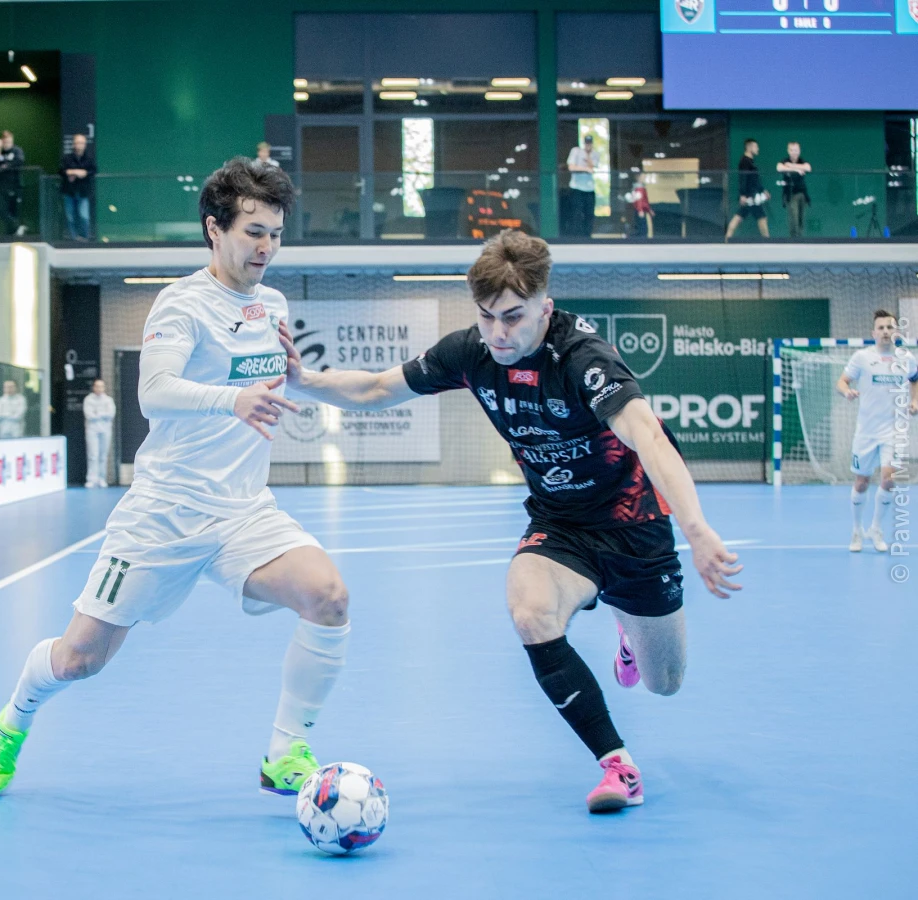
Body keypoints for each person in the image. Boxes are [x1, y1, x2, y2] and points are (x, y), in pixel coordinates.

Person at [282, 229, 744, 813]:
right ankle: (617, 766)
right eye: (486, 317)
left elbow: (648, 437)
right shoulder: (471, 354)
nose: (498, 332)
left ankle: (628, 630)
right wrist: (304, 381)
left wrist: (697, 530)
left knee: (665, 683)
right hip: (561, 523)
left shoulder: (582, 359)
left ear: (545, 308)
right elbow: (377, 388)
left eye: (513, 317)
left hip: (634, 525)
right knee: (530, 611)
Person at [0, 157, 351, 802]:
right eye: (253, 232)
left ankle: (285, 753)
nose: (266, 247)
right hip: (164, 513)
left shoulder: (273, 304)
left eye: (275, 234)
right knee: (79, 660)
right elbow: (154, 391)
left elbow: (263, 374)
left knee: (329, 596)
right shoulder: (182, 303)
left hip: (243, 510)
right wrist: (231, 399)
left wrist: (290, 377)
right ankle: (14, 719)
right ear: (215, 229)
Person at [836, 310, 918, 552]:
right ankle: (856, 530)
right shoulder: (862, 357)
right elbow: (842, 381)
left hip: (893, 431)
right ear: (873, 333)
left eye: (889, 327)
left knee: (889, 479)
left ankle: (876, 528)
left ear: (896, 332)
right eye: (881, 328)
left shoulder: (907, 358)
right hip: (866, 432)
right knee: (862, 482)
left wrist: (915, 401)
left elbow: (915, 379)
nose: (885, 331)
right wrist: (847, 392)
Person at [725, 138, 770, 241]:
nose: (758, 149)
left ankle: (727, 238)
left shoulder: (751, 161)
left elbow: (755, 180)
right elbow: (743, 178)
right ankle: (767, 240)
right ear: (749, 147)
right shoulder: (745, 161)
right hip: (750, 196)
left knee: (740, 216)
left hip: (752, 194)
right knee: (761, 217)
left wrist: (763, 191)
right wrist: (743, 195)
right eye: (756, 146)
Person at [58, 133, 96, 241]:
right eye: (77, 143)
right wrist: (72, 172)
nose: (79, 145)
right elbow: (62, 170)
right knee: (70, 216)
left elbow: (92, 170)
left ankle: (84, 237)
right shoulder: (67, 158)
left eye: (82, 143)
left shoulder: (89, 158)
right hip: (69, 191)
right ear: (74, 144)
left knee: (84, 216)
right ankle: (73, 238)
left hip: (83, 192)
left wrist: (84, 173)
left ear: (85, 145)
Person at [0, 131, 26, 235]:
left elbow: (19, 161)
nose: (7, 144)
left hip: (14, 186)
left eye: (9, 142)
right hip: (0, 187)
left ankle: (12, 234)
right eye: (5, 142)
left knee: (13, 211)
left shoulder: (17, 150)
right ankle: (16, 226)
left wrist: (4, 166)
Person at [82, 377, 117, 487]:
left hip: (105, 430)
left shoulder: (108, 400)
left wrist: (97, 414)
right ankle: (92, 479)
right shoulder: (88, 400)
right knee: (93, 455)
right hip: (92, 430)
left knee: (103, 455)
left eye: (101, 386)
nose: (99, 388)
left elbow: (111, 414)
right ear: (93, 387)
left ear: (104, 388)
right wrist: (102, 414)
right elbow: (89, 415)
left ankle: (102, 478)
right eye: (97, 386)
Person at [566, 134, 599, 238]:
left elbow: (592, 168)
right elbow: (571, 167)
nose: (588, 145)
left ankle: (587, 235)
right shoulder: (576, 151)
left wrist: (588, 156)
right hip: (576, 188)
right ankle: (576, 236)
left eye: (590, 143)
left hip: (589, 189)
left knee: (589, 213)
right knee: (576, 213)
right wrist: (585, 169)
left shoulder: (595, 154)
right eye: (586, 143)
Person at [776, 142, 811, 239]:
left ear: (799, 151)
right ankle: (793, 239)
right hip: (790, 194)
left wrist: (791, 166)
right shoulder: (785, 160)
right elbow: (779, 168)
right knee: (793, 218)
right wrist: (797, 170)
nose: (794, 152)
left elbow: (808, 168)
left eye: (796, 150)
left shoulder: (801, 160)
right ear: (788, 151)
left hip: (802, 193)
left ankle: (800, 239)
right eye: (792, 150)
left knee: (801, 219)